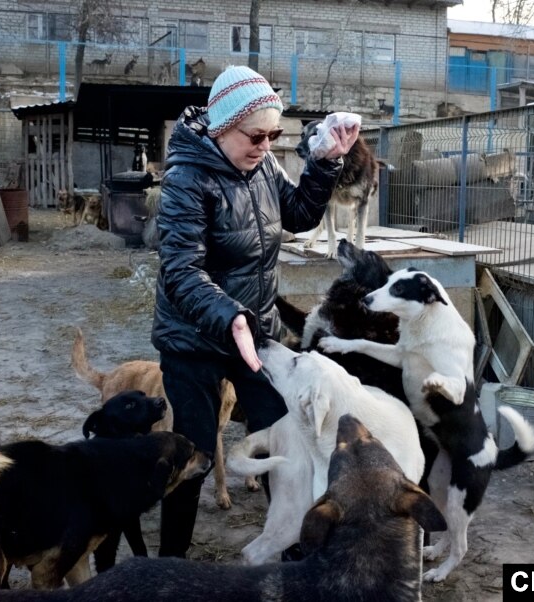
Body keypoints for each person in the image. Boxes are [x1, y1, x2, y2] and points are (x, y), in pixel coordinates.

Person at [151, 65, 359, 558]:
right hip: (194, 338)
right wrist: (229, 316)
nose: (265, 145)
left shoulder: (263, 165)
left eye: (273, 136)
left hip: (254, 332)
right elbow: (180, 270)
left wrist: (325, 162)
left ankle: (291, 543)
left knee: (280, 433)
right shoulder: (186, 178)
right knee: (193, 453)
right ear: (223, 127)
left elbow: (300, 215)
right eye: (255, 136)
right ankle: (173, 565)